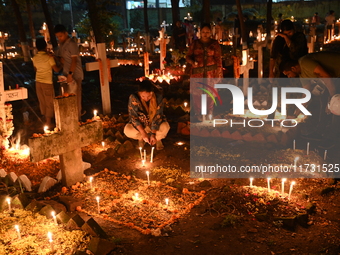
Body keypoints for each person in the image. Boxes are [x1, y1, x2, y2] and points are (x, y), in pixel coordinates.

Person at [280, 51, 340, 145]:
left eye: (288, 74)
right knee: (324, 100)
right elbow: (305, 95)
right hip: (335, 78)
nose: (289, 77)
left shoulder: (305, 63)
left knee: (336, 105)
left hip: (337, 75)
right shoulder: (302, 75)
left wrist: (331, 98)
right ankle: (321, 132)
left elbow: (326, 76)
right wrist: (295, 114)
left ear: (293, 68)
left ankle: (332, 138)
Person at [186, 23, 223, 119]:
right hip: (197, 72)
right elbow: (188, 56)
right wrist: (192, 62)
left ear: (210, 32)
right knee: (197, 93)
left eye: (207, 32)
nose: (205, 34)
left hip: (211, 72)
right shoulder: (195, 43)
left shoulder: (214, 44)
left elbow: (218, 59)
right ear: (200, 32)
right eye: (203, 32)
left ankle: (209, 112)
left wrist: (219, 72)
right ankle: (199, 113)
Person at [124, 80, 170, 150]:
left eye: (149, 96)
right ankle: (142, 138)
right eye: (143, 96)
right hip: (142, 124)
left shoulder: (158, 97)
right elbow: (133, 117)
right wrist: (143, 133)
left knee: (165, 127)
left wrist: (153, 134)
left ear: (152, 93)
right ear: (139, 93)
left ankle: (157, 139)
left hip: (154, 124)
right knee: (128, 130)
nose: (146, 99)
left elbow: (158, 115)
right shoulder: (134, 98)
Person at [54, 24, 84, 119]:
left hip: (75, 74)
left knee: (75, 96)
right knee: (66, 95)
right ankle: (68, 117)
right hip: (65, 74)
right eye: (57, 37)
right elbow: (63, 59)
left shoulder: (71, 44)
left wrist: (70, 74)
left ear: (66, 33)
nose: (59, 38)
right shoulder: (61, 45)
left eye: (61, 36)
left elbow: (74, 61)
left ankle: (77, 117)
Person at [32, 38, 60, 127]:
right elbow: (56, 69)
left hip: (38, 82)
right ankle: (48, 122)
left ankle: (45, 119)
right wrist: (62, 65)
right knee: (49, 101)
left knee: (42, 101)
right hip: (47, 82)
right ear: (45, 46)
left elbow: (35, 69)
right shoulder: (49, 57)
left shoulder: (35, 58)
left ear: (36, 47)